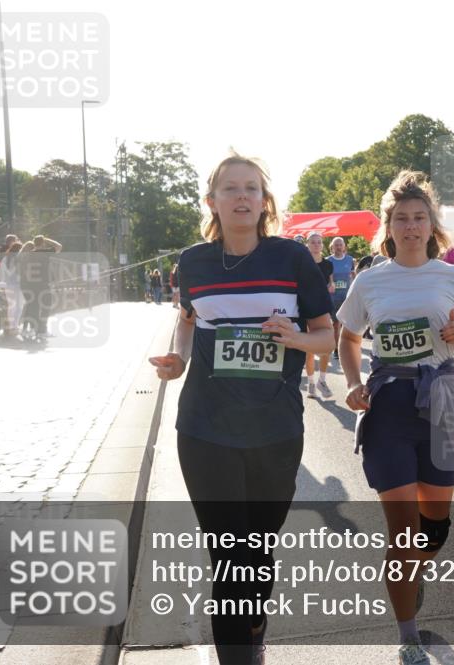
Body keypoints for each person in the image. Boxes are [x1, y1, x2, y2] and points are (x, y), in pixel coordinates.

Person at [148, 153, 333, 665]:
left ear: (264, 200)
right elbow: (189, 321)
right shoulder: (194, 261)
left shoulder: (293, 259)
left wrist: (295, 337)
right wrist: (178, 360)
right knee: (229, 556)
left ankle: (252, 626)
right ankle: (238, 653)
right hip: (206, 428)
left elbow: (326, 336)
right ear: (212, 201)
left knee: (257, 551)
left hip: (274, 429)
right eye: (231, 188)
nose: (243, 196)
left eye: (252, 187)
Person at [336, 170, 454, 665]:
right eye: (401, 218)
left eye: (419, 217)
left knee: (434, 527)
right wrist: (354, 382)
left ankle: (413, 572)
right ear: (389, 226)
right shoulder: (371, 279)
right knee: (401, 532)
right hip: (389, 408)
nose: (411, 226)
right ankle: (408, 636)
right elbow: (347, 336)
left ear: (432, 224)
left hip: (439, 402)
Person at [303, 231, 335, 399]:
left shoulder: (328, 264)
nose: (316, 244)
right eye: (313, 242)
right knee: (309, 349)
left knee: (326, 347)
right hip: (305, 308)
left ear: (323, 245)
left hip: (322, 307)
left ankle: (322, 379)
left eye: (319, 242)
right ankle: (311, 382)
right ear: (307, 244)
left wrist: (330, 286)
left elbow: (331, 283)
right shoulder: (302, 262)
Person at [327, 236, 355, 361]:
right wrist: (329, 284)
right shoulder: (328, 261)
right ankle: (337, 350)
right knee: (336, 324)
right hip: (333, 298)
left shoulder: (350, 260)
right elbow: (324, 278)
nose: (338, 247)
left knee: (347, 325)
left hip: (347, 297)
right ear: (332, 247)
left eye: (340, 245)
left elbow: (353, 275)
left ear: (344, 247)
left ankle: (345, 347)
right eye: (336, 245)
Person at [0, 241, 24, 339]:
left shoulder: (6, 258)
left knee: (11, 306)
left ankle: (11, 327)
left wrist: (3, 283)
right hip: (18, 285)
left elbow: (2, 272)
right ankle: (15, 326)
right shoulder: (19, 258)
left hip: (8, 285)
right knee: (19, 306)